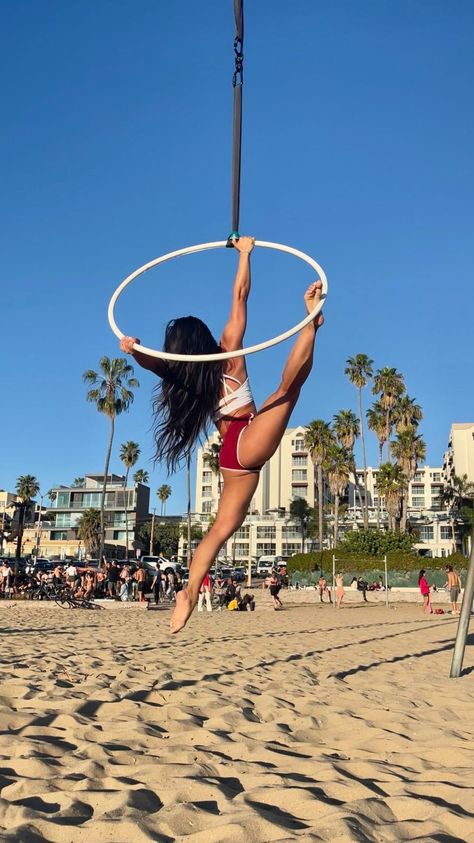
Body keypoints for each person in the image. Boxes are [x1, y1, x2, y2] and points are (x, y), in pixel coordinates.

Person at [120, 236, 324, 633]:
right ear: (203, 338)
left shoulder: (187, 373)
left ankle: (189, 594)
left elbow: (156, 364)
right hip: (244, 439)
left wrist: (135, 350)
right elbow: (240, 295)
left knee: (220, 529)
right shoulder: (228, 349)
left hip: (234, 454)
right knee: (285, 392)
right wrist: (246, 254)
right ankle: (312, 322)